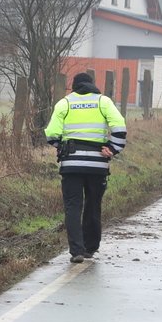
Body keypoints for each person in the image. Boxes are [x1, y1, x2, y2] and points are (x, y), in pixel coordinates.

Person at [44, 72, 127, 263]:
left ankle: (77, 251)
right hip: (97, 165)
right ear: (92, 84)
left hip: (72, 164)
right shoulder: (103, 101)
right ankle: (90, 247)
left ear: (74, 86)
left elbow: (51, 133)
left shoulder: (65, 103)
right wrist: (113, 149)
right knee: (93, 204)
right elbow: (119, 126)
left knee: (73, 206)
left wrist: (62, 147)